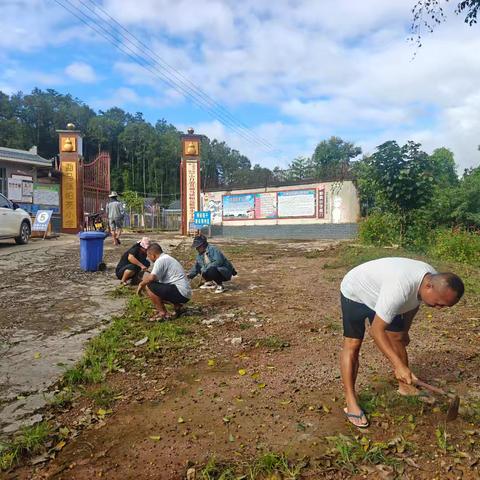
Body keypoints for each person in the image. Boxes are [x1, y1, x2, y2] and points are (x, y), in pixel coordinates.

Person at [339, 257, 464, 428]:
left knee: (397, 337)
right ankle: (350, 399)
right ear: (429, 287)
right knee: (353, 344)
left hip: (385, 294)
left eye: (445, 306)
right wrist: (398, 365)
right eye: (440, 303)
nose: (440, 308)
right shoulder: (399, 289)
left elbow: (415, 303)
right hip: (357, 293)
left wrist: (405, 330)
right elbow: (376, 331)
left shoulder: (430, 280)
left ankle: (405, 387)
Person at [137, 243, 191, 321]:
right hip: (185, 293)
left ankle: (162, 313)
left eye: (149, 256)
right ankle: (177, 305)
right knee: (155, 288)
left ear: (153, 255)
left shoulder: (161, 260)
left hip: (180, 291)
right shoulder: (166, 258)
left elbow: (151, 278)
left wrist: (141, 284)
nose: (149, 259)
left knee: (149, 286)